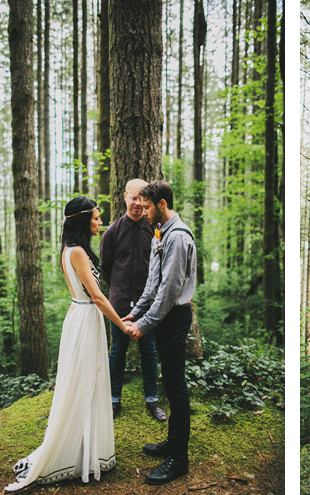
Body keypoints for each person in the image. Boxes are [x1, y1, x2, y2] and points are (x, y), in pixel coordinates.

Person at [5, 197, 131, 492]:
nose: (101, 223)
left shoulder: (72, 249)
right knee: (83, 382)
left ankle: (84, 448)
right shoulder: (77, 253)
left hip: (82, 317)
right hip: (85, 319)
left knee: (89, 382)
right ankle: (74, 453)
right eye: (97, 218)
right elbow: (98, 297)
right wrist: (122, 325)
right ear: (82, 221)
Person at [123, 180, 196, 485]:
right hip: (161, 316)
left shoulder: (177, 238)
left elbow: (168, 291)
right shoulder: (160, 233)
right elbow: (153, 282)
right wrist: (137, 312)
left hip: (175, 317)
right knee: (171, 383)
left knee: (177, 387)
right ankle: (172, 442)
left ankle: (179, 459)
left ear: (162, 205)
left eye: (149, 205)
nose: (144, 210)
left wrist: (144, 324)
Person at [101, 179, 167, 422]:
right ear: (125, 197)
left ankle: (152, 400)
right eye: (133, 197)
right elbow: (105, 269)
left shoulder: (155, 229)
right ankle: (113, 400)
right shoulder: (112, 232)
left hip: (148, 305)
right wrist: (119, 290)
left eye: (142, 198)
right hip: (118, 304)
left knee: (149, 351)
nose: (137, 203)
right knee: (117, 351)